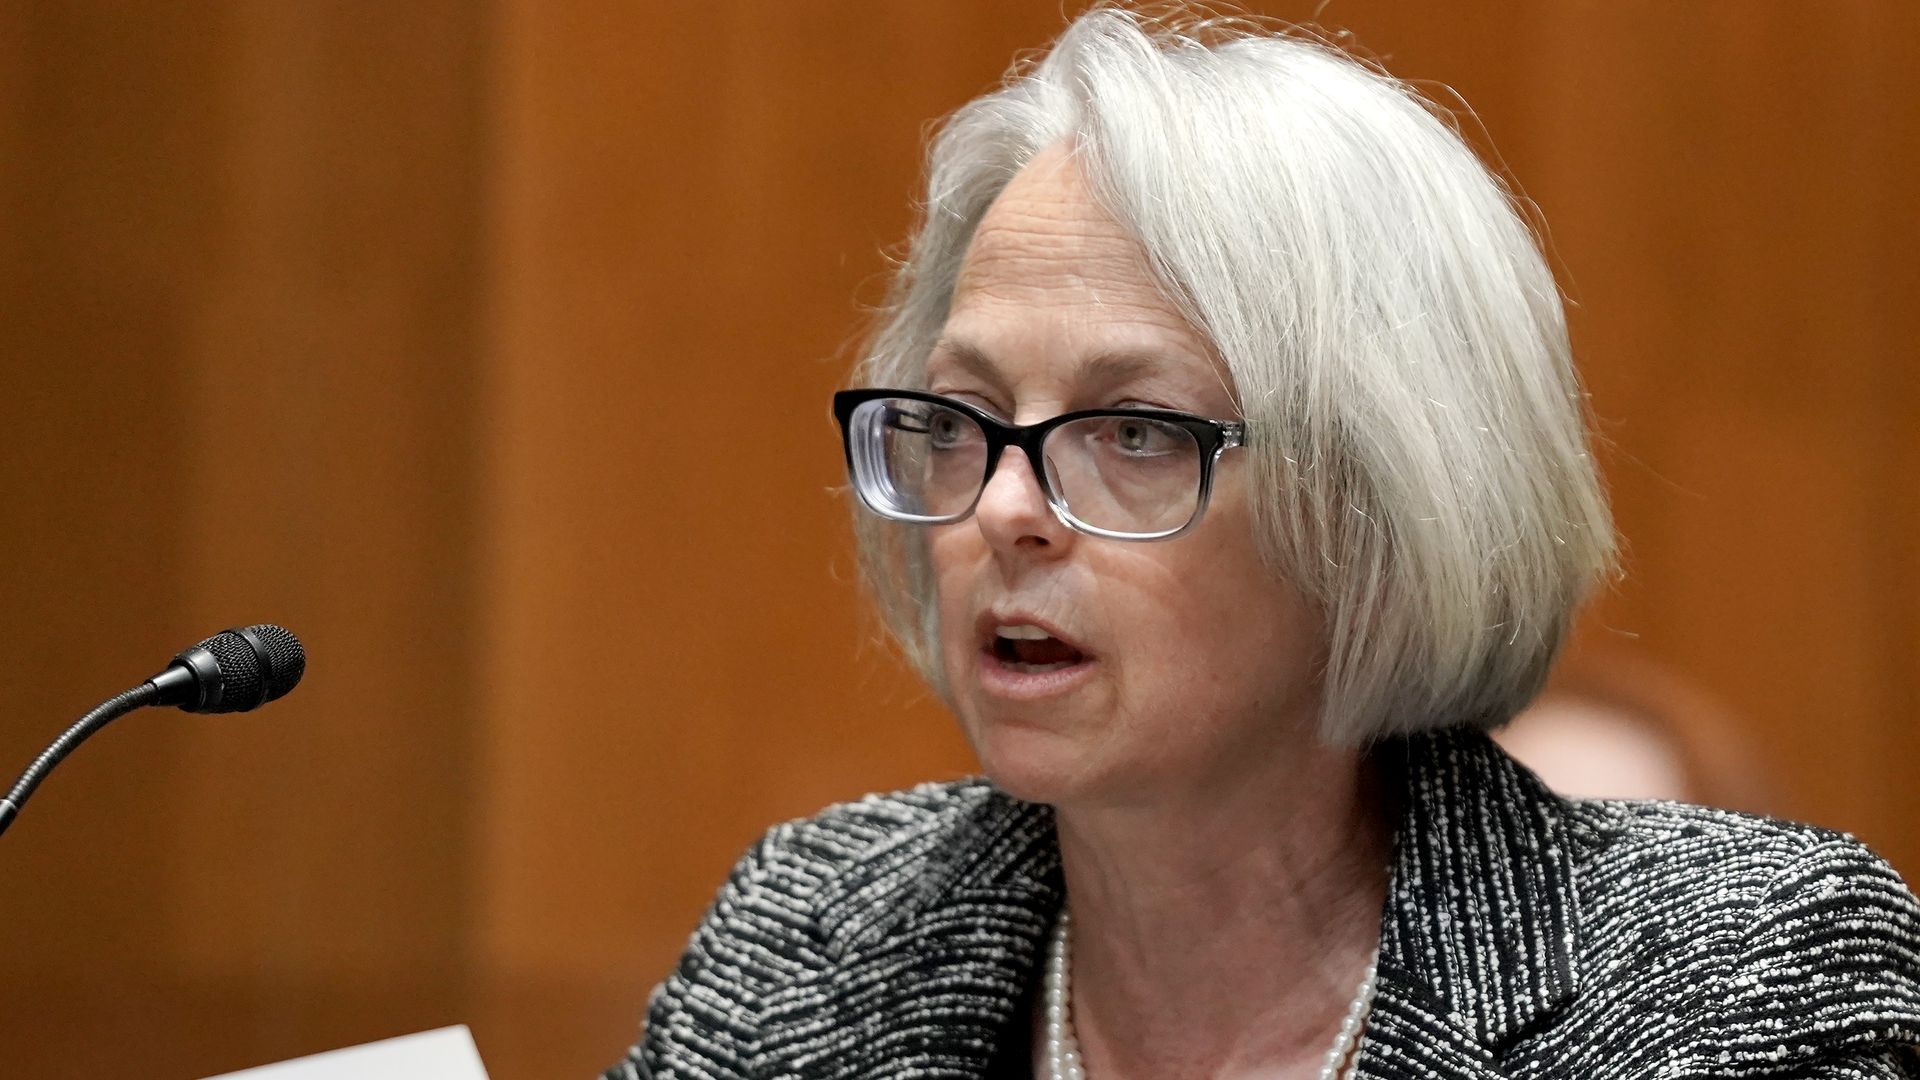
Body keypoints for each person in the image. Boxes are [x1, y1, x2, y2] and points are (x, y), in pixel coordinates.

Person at [606, 9, 1920, 1078]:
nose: (1004, 507)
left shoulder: (1738, 985)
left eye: (1133, 431)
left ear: (1377, 504)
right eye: (970, 414)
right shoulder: (815, 938)